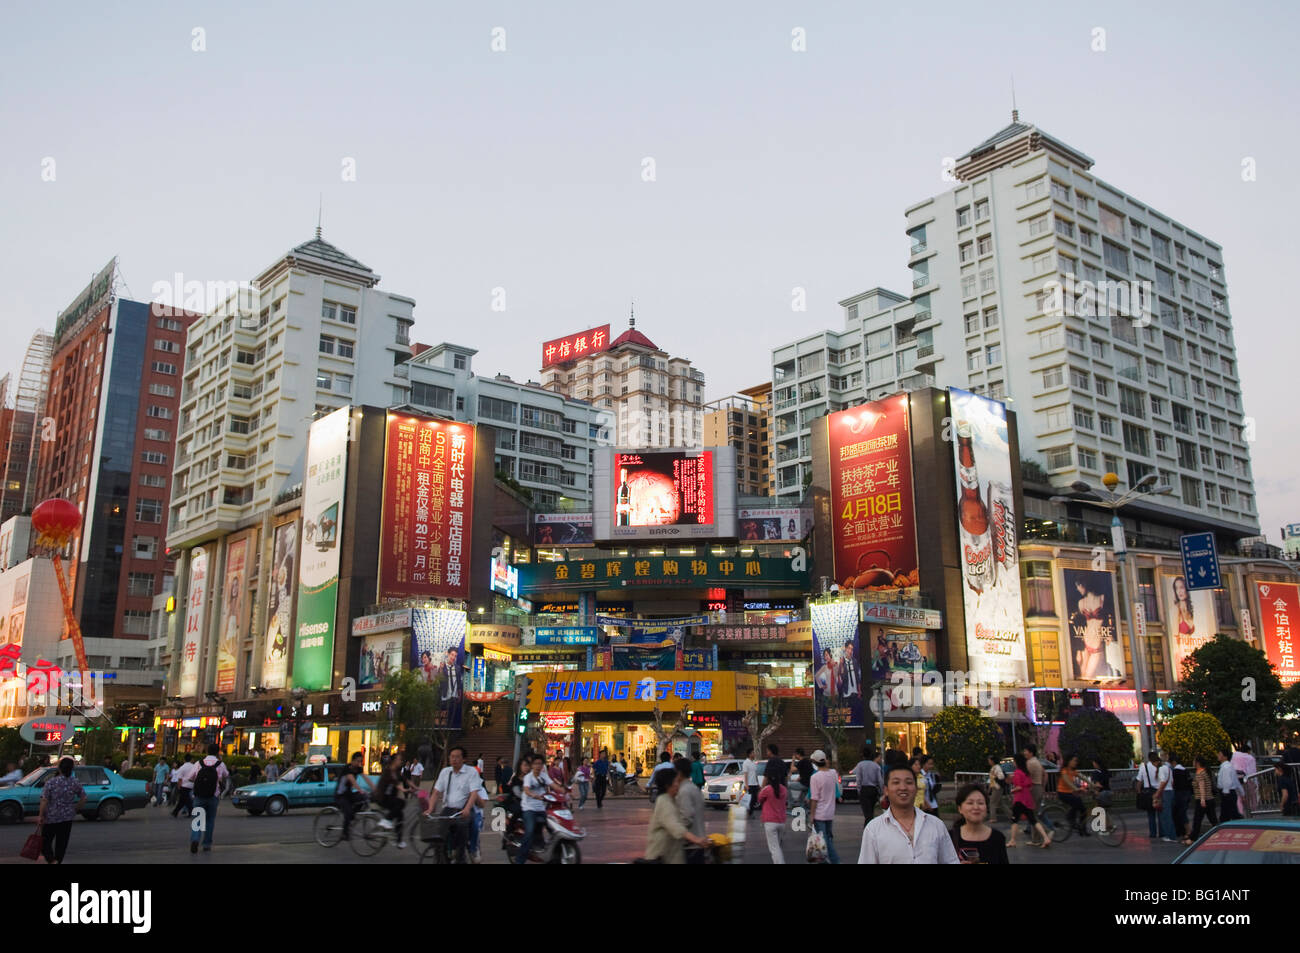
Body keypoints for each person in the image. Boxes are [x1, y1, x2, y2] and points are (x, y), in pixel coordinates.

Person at [859, 761, 960, 864]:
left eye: (909, 782)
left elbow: (951, 861)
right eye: (896, 782)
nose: (903, 787)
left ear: (916, 789)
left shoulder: (936, 825)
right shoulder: (873, 830)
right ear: (886, 790)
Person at [644, 763, 710, 863]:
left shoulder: (672, 800)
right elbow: (675, 826)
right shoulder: (664, 802)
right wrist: (695, 839)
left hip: (671, 855)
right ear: (667, 785)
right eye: (676, 782)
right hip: (661, 857)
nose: (678, 784)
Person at [428, 746, 483, 861]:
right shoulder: (445, 772)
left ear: (464, 759)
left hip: (464, 809)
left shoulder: (471, 772)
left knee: (461, 829)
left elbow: (474, 793)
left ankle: (460, 856)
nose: (454, 759)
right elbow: (436, 792)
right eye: (452, 757)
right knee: (438, 835)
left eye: (457, 757)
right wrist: (430, 808)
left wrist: (467, 809)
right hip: (448, 809)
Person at [518, 754, 566, 864]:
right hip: (529, 808)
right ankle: (520, 860)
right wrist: (533, 795)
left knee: (556, 831)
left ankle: (556, 857)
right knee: (529, 832)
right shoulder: (528, 777)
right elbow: (526, 790)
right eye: (535, 764)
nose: (538, 766)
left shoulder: (544, 776)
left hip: (541, 808)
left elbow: (554, 786)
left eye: (540, 764)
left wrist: (565, 792)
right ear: (532, 765)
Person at [36, 757, 85, 865]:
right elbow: (83, 797)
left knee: (45, 842)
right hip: (67, 818)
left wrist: (40, 815)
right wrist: (75, 809)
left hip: (51, 817)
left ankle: (52, 860)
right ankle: (57, 861)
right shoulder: (75, 782)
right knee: (61, 844)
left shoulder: (51, 782)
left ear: (59, 768)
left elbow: (44, 800)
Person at [950, 783, 1009, 864]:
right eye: (970, 803)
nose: (976, 807)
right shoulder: (950, 837)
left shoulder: (997, 838)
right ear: (960, 809)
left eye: (980, 803)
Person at [189, 744, 230, 854]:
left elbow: (190, 777)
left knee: (197, 819)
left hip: (199, 795)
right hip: (213, 796)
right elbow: (226, 775)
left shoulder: (199, 763)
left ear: (206, 751)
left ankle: (195, 839)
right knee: (210, 820)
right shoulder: (220, 764)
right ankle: (206, 844)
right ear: (218, 752)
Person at [1007, 753, 1051, 849]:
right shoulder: (1026, 772)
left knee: (1014, 820)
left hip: (1019, 799)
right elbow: (1029, 785)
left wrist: (1012, 790)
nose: (1013, 763)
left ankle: (1012, 840)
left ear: (1017, 762)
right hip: (1028, 799)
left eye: (1014, 761)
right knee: (1033, 820)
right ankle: (1046, 837)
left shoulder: (1017, 772)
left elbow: (1019, 787)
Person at [807, 750, 841, 864]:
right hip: (830, 813)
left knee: (825, 841)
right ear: (825, 760)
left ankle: (836, 861)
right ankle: (825, 860)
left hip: (819, 814)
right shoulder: (833, 773)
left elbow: (814, 798)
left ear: (814, 762)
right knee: (827, 839)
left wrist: (812, 815)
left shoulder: (815, 777)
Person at [334, 750, 375, 840]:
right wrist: (360, 790)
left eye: (360, 761)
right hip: (341, 795)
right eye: (357, 761)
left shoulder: (358, 769)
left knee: (364, 798)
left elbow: (366, 779)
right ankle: (344, 834)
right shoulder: (347, 768)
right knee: (348, 812)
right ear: (352, 760)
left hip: (349, 794)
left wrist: (375, 789)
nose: (359, 763)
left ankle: (352, 817)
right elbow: (352, 780)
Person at [674, 759, 707, 861]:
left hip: (690, 845)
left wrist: (677, 832)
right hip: (699, 841)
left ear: (679, 773)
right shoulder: (694, 788)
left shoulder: (684, 791)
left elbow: (686, 817)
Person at [375, 752, 411, 846]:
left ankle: (398, 840)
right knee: (401, 803)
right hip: (382, 797)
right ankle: (386, 819)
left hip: (390, 797)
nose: (401, 761)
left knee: (400, 815)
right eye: (399, 759)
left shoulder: (397, 771)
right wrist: (404, 789)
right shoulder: (389, 771)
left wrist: (416, 788)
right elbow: (396, 783)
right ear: (394, 761)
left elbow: (405, 780)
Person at [1135, 750, 1168, 840]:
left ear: (1149, 758)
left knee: (1151, 814)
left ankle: (1153, 833)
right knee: (1160, 813)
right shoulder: (1161, 766)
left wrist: (1139, 792)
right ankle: (1162, 832)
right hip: (1159, 791)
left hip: (1148, 793)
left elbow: (1139, 780)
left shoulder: (1144, 767)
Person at [758, 771, 787, 863]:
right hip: (781, 821)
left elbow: (759, 798)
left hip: (770, 821)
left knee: (774, 848)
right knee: (777, 846)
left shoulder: (767, 789)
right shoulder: (784, 789)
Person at [1057, 755, 1088, 836]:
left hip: (1070, 793)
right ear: (1068, 761)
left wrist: (1093, 785)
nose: (1075, 762)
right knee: (1077, 803)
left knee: (1083, 810)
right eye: (1074, 760)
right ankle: (1070, 818)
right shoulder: (1064, 770)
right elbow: (1068, 782)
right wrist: (1077, 789)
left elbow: (1083, 777)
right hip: (1062, 793)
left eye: (1076, 761)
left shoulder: (1073, 771)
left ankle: (1082, 829)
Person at [853, 747, 883, 824]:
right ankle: (869, 825)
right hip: (873, 789)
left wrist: (859, 790)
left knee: (867, 812)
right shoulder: (876, 766)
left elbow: (858, 779)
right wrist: (881, 791)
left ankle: (868, 827)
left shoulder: (860, 765)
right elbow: (880, 780)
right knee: (871, 811)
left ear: (863, 755)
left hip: (864, 789)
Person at [1190, 755, 1218, 840]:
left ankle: (1193, 838)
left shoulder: (1199, 773)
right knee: (1213, 819)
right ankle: (1219, 833)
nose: (1193, 762)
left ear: (1197, 763)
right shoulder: (1206, 772)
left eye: (1194, 761)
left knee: (1197, 820)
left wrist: (1202, 799)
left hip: (1202, 799)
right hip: (1210, 799)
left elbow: (1201, 787)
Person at [1216, 748, 1245, 821]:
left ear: (1225, 757)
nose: (1218, 755)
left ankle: (1242, 823)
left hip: (1227, 793)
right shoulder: (1228, 766)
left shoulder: (1226, 767)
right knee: (1230, 813)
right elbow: (1236, 781)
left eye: (1220, 754)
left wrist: (1225, 792)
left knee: (1228, 814)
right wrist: (1242, 793)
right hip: (1230, 793)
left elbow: (1227, 781)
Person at [1169, 751, 1192, 842]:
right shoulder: (1185, 770)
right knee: (1182, 812)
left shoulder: (1175, 771)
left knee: (1180, 813)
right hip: (1187, 793)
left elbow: (1173, 783)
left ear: (1173, 762)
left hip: (1179, 794)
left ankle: (1187, 832)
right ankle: (1186, 831)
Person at [1231, 742, 1258, 817]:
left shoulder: (1234, 756)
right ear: (1248, 751)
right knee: (1251, 797)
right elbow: (1252, 770)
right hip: (1247, 779)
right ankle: (1252, 812)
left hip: (1236, 779)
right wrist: (1255, 782)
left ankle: (1241, 813)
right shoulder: (1250, 758)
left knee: (1239, 797)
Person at [171, 752, 197, 818]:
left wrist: (179, 786)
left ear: (184, 760)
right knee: (182, 800)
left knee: (185, 800)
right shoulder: (194, 766)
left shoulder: (182, 767)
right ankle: (175, 812)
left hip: (184, 785)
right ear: (191, 759)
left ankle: (191, 811)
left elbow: (180, 779)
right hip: (192, 784)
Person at [986, 755, 1006, 821]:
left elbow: (1001, 776)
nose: (989, 762)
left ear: (992, 761)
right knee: (1001, 803)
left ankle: (993, 818)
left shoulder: (996, 768)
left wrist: (994, 776)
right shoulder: (994, 767)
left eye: (989, 760)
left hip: (997, 787)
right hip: (996, 787)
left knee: (992, 802)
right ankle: (1012, 816)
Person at [742, 749, 760, 816]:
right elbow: (745, 774)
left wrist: (758, 783)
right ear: (749, 754)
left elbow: (755, 774)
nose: (754, 754)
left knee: (754, 799)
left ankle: (750, 812)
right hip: (749, 784)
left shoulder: (754, 762)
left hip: (755, 784)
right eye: (753, 753)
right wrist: (746, 785)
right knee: (750, 799)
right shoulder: (746, 763)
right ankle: (749, 813)